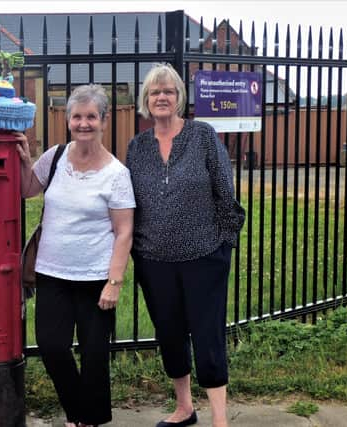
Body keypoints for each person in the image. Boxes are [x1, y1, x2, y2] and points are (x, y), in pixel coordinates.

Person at [126, 63, 246, 427]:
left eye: (169, 91)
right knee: (169, 332)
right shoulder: (137, 146)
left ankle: (220, 418)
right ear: (146, 99)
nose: (162, 97)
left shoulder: (203, 136)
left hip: (204, 256)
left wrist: (224, 245)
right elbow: (129, 200)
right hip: (154, 259)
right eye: (155, 92)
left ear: (179, 97)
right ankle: (184, 407)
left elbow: (226, 194)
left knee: (208, 333)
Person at [16, 84, 135, 427]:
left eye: (91, 117)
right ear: (68, 120)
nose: (84, 123)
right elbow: (27, 190)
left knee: (94, 355)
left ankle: (85, 420)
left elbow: (123, 231)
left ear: (104, 121)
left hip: (96, 277)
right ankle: (81, 411)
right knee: (52, 347)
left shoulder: (116, 174)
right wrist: (25, 160)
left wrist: (114, 282)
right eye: (77, 117)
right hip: (52, 272)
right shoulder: (54, 157)